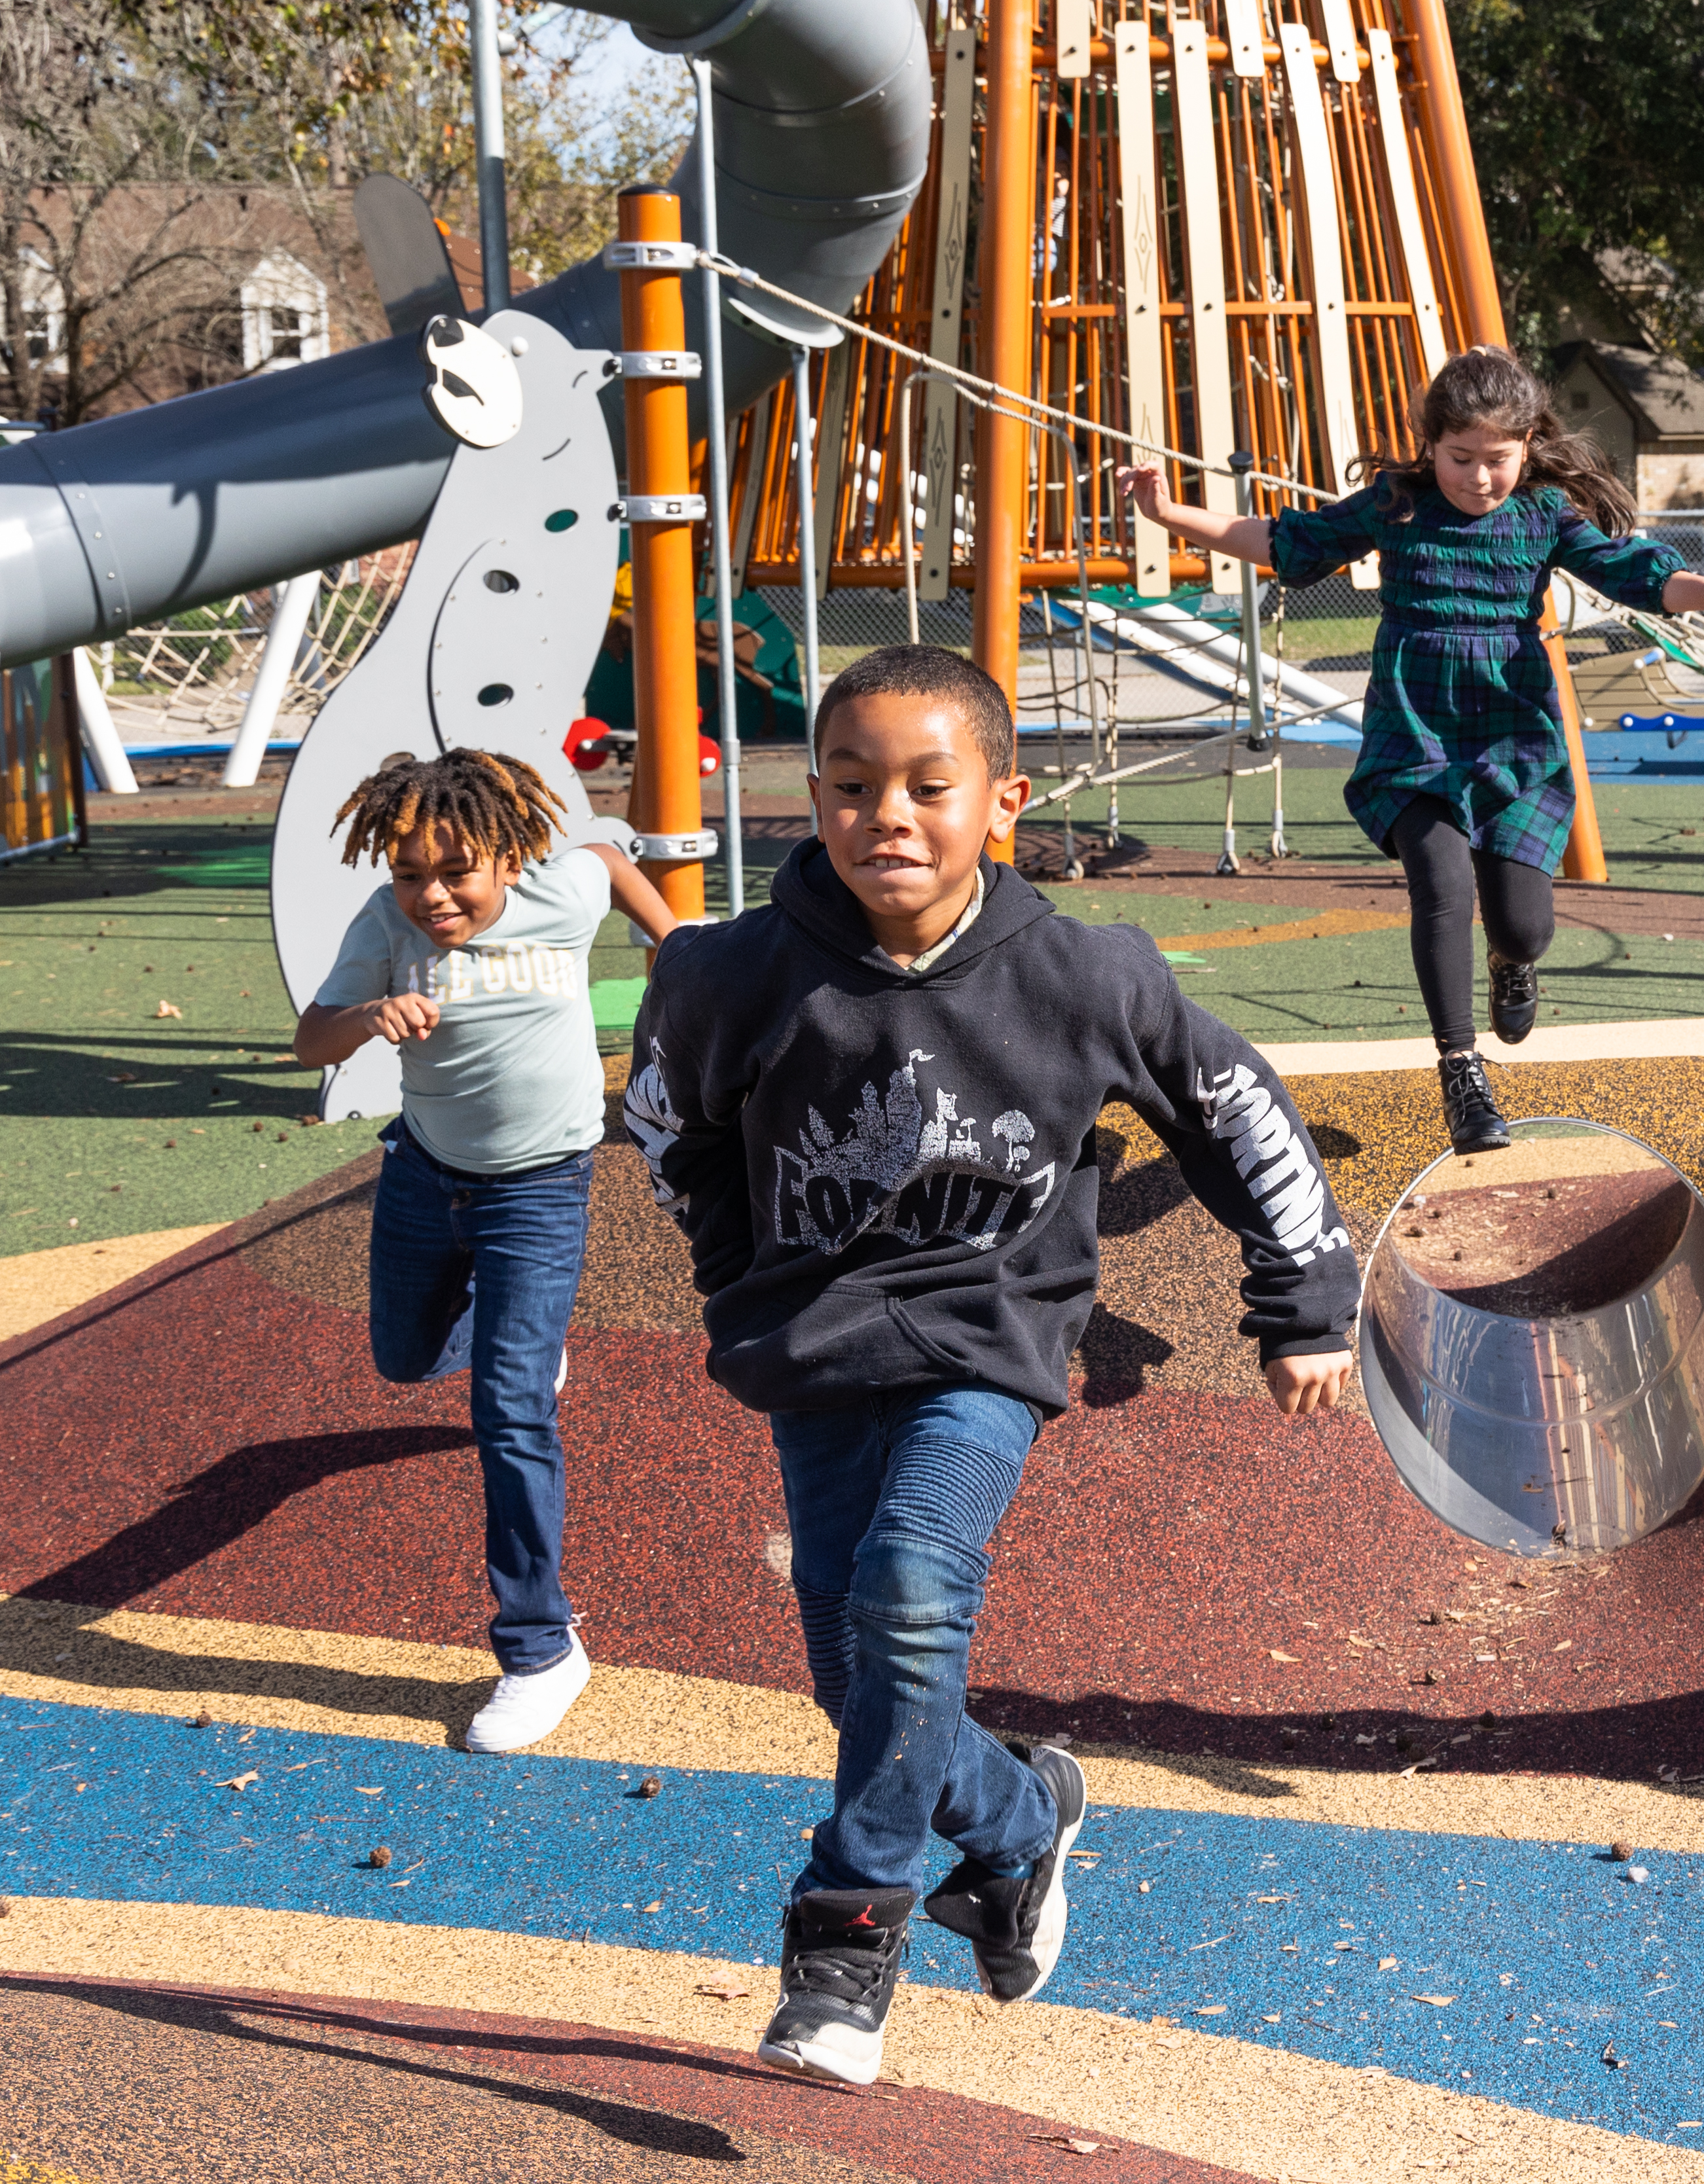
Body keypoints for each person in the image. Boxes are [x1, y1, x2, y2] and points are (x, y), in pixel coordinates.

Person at [622, 644, 1360, 2087]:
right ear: (812, 803)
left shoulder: (1087, 972)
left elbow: (1234, 1110)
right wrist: (734, 1264)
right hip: (816, 1341)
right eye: (848, 787)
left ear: (1001, 802)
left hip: (988, 1336)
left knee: (910, 1585)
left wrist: (1302, 1300)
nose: (884, 814)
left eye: (925, 786)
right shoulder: (729, 973)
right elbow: (665, 1126)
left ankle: (843, 1945)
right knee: (865, 1686)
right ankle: (1021, 1827)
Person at [1114, 347, 1704, 1154]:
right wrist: (1171, 516)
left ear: (1527, 447)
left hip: (1511, 727)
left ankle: (1512, 961)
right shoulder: (1399, 504)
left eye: (1498, 459)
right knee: (1441, 886)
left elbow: (1634, 575)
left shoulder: (1543, 513)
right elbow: (1287, 541)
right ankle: (1461, 1069)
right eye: (1461, 458)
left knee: (1522, 927)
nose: (1479, 478)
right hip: (1413, 725)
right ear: (1430, 444)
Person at [293, 749, 680, 1754]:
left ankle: (541, 1650)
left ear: (509, 859)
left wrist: (674, 940)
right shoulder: (386, 927)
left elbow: (603, 853)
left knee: (507, 1408)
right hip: (423, 1172)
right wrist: (366, 1018)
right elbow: (310, 1041)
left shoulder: (560, 891)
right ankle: (521, 1337)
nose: (433, 894)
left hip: (541, 1189)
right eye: (410, 872)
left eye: (456, 870)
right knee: (405, 1356)